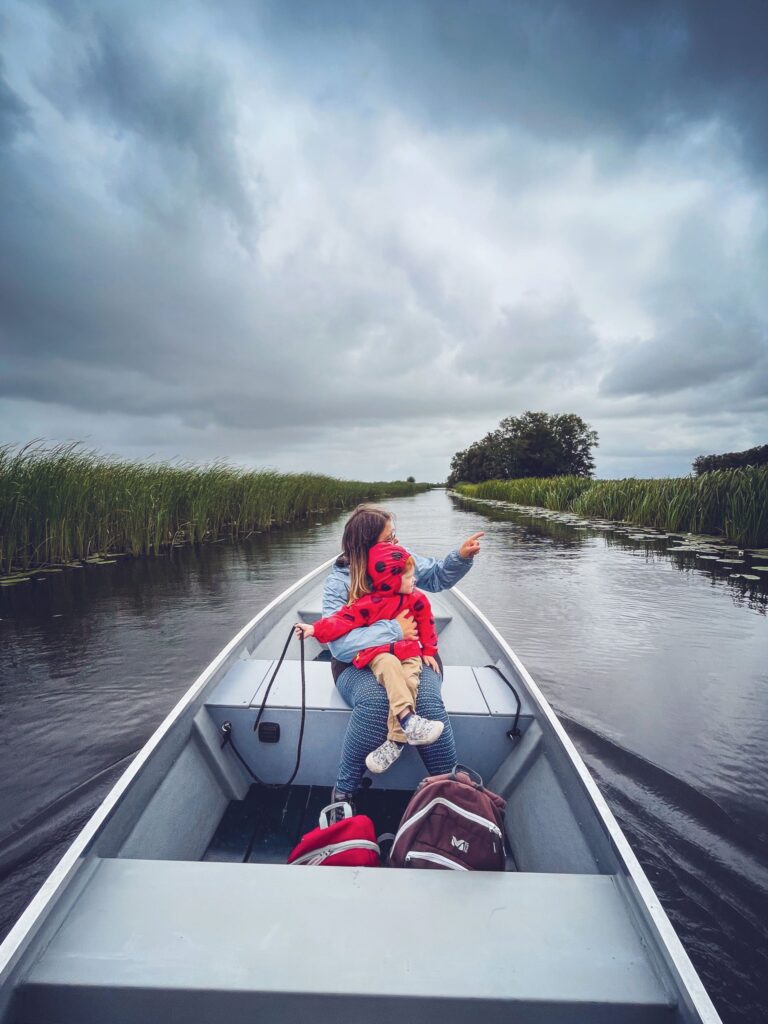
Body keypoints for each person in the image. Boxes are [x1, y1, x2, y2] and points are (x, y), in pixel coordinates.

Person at [320, 504, 483, 817]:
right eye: (388, 539)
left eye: (395, 537)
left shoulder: (400, 559)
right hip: (358, 663)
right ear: (368, 547)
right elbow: (338, 645)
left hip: (414, 651)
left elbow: (435, 576)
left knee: (428, 705)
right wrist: (393, 629)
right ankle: (343, 794)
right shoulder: (340, 581)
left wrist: (460, 557)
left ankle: (449, 794)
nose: (396, 545)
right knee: (375, 701)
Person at [295, 541, 445, 774]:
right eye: (409, 577)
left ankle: (395, 742)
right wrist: (315, 629)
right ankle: (408, 721)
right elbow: (343, 621)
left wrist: (428, 651)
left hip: (409, 652)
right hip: (380, 654)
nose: (414, 581)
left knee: (411, 681)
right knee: (389, 667)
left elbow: (426, 625)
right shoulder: (370, 603)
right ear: (392, 580)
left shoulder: (417, 599)